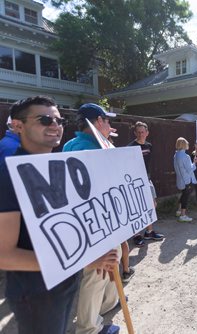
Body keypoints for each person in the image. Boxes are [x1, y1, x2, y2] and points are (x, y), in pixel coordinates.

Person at [0, 96, 118, 334]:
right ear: (17, 126)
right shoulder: (10, 170)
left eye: (59, 120)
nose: (55, 125)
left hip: (63, 282)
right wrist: (84, 260)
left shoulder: (59, 165)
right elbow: (5, 255)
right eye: (44, 119)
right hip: (35, 292)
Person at [63, 103, 122, 334]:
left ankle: (106, 304)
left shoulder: (70, 144)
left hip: (86, 220)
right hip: (98, 222)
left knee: (107, 266)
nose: (110, 125)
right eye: (107, 121)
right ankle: (88, 327)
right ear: (98, 122)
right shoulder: (95, 149)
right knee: (97, 272)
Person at [127, 121, 164, 249]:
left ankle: (149, 232)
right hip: (134, 182)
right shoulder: (130, 147)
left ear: (147, 133)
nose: (141, 134)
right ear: (135, 133)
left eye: (143, 132)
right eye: (138, 132)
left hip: (147, 180)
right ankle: (136, 235)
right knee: (136, 208)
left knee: (152, 205)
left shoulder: (149, 145)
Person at [174, 137, 197, 223]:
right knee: (185, 196)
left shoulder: (175, 155)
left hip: (180, 179)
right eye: (186, 143)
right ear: (184, 145)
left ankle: (179, 211)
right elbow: (190, 169)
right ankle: (183, 215)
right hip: (186, 180)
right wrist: (195, 163)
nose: (188, 145)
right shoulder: (186, 156)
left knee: (183, 194)